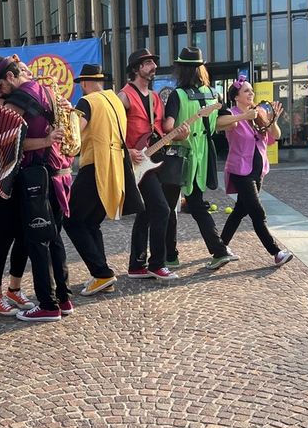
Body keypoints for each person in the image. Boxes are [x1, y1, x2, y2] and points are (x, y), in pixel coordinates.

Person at [0, 54, 74, 323]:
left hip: (37, 176)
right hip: (57, 173)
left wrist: (45, 140)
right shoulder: (45, 90)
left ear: (11, 77)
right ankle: (63, 298)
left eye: (0, 86)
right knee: (52, 238)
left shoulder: (22, 96)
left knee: (38, 240)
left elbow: (8, 142)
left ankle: (48, 304)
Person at [161, 48, 237, 271]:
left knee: (168, 207)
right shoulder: (213, 93)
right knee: (197, 205)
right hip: (202, 156)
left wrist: (178, 131)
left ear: (181, 69)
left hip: (178, 157)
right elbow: (228, 122)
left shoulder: (177, 95)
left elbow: (168, 127)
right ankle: (219, 250)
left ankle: (171, 256)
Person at [63, 64, 130, 296]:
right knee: (91, 223)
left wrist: (67, 118)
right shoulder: (115, 100)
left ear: (83, 83)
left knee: (71, 220)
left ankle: (102, 273)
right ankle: (102, 276)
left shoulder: (87, 101)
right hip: (116, 168)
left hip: (95, 167)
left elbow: (74, 135)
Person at [217, 76, 293, 267]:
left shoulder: (259, 113)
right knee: (257, 213)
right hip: (240, 171)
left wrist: (272, 120)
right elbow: (219, 124)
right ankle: (276, 252)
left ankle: (220, 246)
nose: (251, 93)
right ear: (236, 97)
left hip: (258, 170)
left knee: (240, 210)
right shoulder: (231, 114)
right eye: (246, 91)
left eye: (251, 90)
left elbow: (275, 136)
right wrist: (244, 116)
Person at [118, 48, 177, 280]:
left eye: (154, 62)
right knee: (162, 209)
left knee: (145, 213)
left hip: (154, 160)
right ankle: (157, 264)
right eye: (148, 63)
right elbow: (113, 129)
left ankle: (136, 265)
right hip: (137, 163)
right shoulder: (124, 96)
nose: (154, 66)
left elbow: (160, 130)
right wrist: (127, 151)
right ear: (136, 68)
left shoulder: (154, 97)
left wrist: (177, 134)